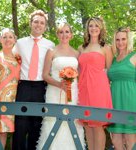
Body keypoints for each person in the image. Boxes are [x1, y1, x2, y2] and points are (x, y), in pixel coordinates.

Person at [36, 22, 86, 150]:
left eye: (67, 32)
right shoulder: (51, 51)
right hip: (54, 91)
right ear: (57, 34)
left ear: (71, 35)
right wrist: (59, 84)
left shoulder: (76, 53)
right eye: (61, 32)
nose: (64, 34)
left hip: (72, 93)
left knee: (72, 120)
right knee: (53, 120)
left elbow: (80, 76)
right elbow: (45, 75)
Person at [12, 10, 55, 150]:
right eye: (36, 21)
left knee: (36, 125)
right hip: (23, 86)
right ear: (31, 23)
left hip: (40, 87)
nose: (38, 25)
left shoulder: (50, 45)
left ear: (45, 27)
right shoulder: (19, 43)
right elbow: (10, 62)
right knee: (20, 125)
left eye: (42, 23)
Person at [78, 17, 113, 150]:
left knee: (98, 125)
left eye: (96, 26)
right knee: (87, 125)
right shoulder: (81, 48)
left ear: (101, 29)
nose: (93, 28)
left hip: (99, 89)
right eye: (91, 26)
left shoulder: (106, 48)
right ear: (87, 29)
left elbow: (109, 72)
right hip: (83, 89)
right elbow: (78, 70)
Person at [107, 27, 136, 150]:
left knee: (130, 139)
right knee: (115, 139)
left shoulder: (134, 56)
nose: (120, 42)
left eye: (123, 39)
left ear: (128, 40)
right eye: (117, 39)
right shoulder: (112, 60)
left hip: (131, 101)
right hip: (115, 102)